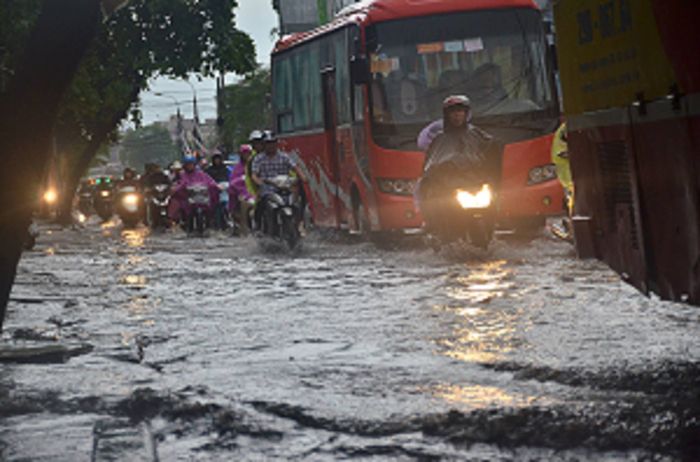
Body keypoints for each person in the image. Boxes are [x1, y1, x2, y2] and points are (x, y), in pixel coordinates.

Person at [417, 95, 503, 229]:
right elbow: (431, 165)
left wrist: (495, 149)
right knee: (438, 204)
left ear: (466, 114)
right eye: (453, 112)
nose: (457, 115)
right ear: (447, 115)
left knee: (492, 201)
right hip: (449, 184)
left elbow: (489, 148)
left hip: (474, 181)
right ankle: (437, 228)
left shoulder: (475, 133)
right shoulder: (440, 138)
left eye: (460, 111)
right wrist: (443, 169)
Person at [251, 131, 308, 232]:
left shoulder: (284, 157)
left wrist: (303, 177)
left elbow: (295, 167)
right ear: (264, 145)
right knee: (260, 205)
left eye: (273, 143)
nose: (271, 146)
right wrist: (258, 181)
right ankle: (258, 226)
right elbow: (254, 174)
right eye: (268, 143)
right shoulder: (258, 159)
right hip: (268, 190)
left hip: (285, 188)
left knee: (297, 203)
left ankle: (300, 224)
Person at [170, 155, 220, 226]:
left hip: (201, 197)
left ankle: (210, 220)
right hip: (188, 198)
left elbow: (210, 181)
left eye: (191, 164)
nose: (190, 166)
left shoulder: (201, 174)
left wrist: (214, 186)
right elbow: (179, 184)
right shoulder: (183, 175)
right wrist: (180, 188)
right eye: (188, 165)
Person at [227, 144, 256, 235]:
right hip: (242, 193)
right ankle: (244, 226)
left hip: (255, 192)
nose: (246, 156)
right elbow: (232, 182)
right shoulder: (238, 168)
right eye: (244, 154)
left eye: (248, 154)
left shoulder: (255, 165)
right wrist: (241, 180)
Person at [205, 151, 231, 229]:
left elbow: (231, 179)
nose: (217, 161)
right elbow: (206, 181)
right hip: (213, 192)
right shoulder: (209, 170)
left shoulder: (226, 169)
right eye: (216, 159)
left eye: (218, 159)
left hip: (225, 191)